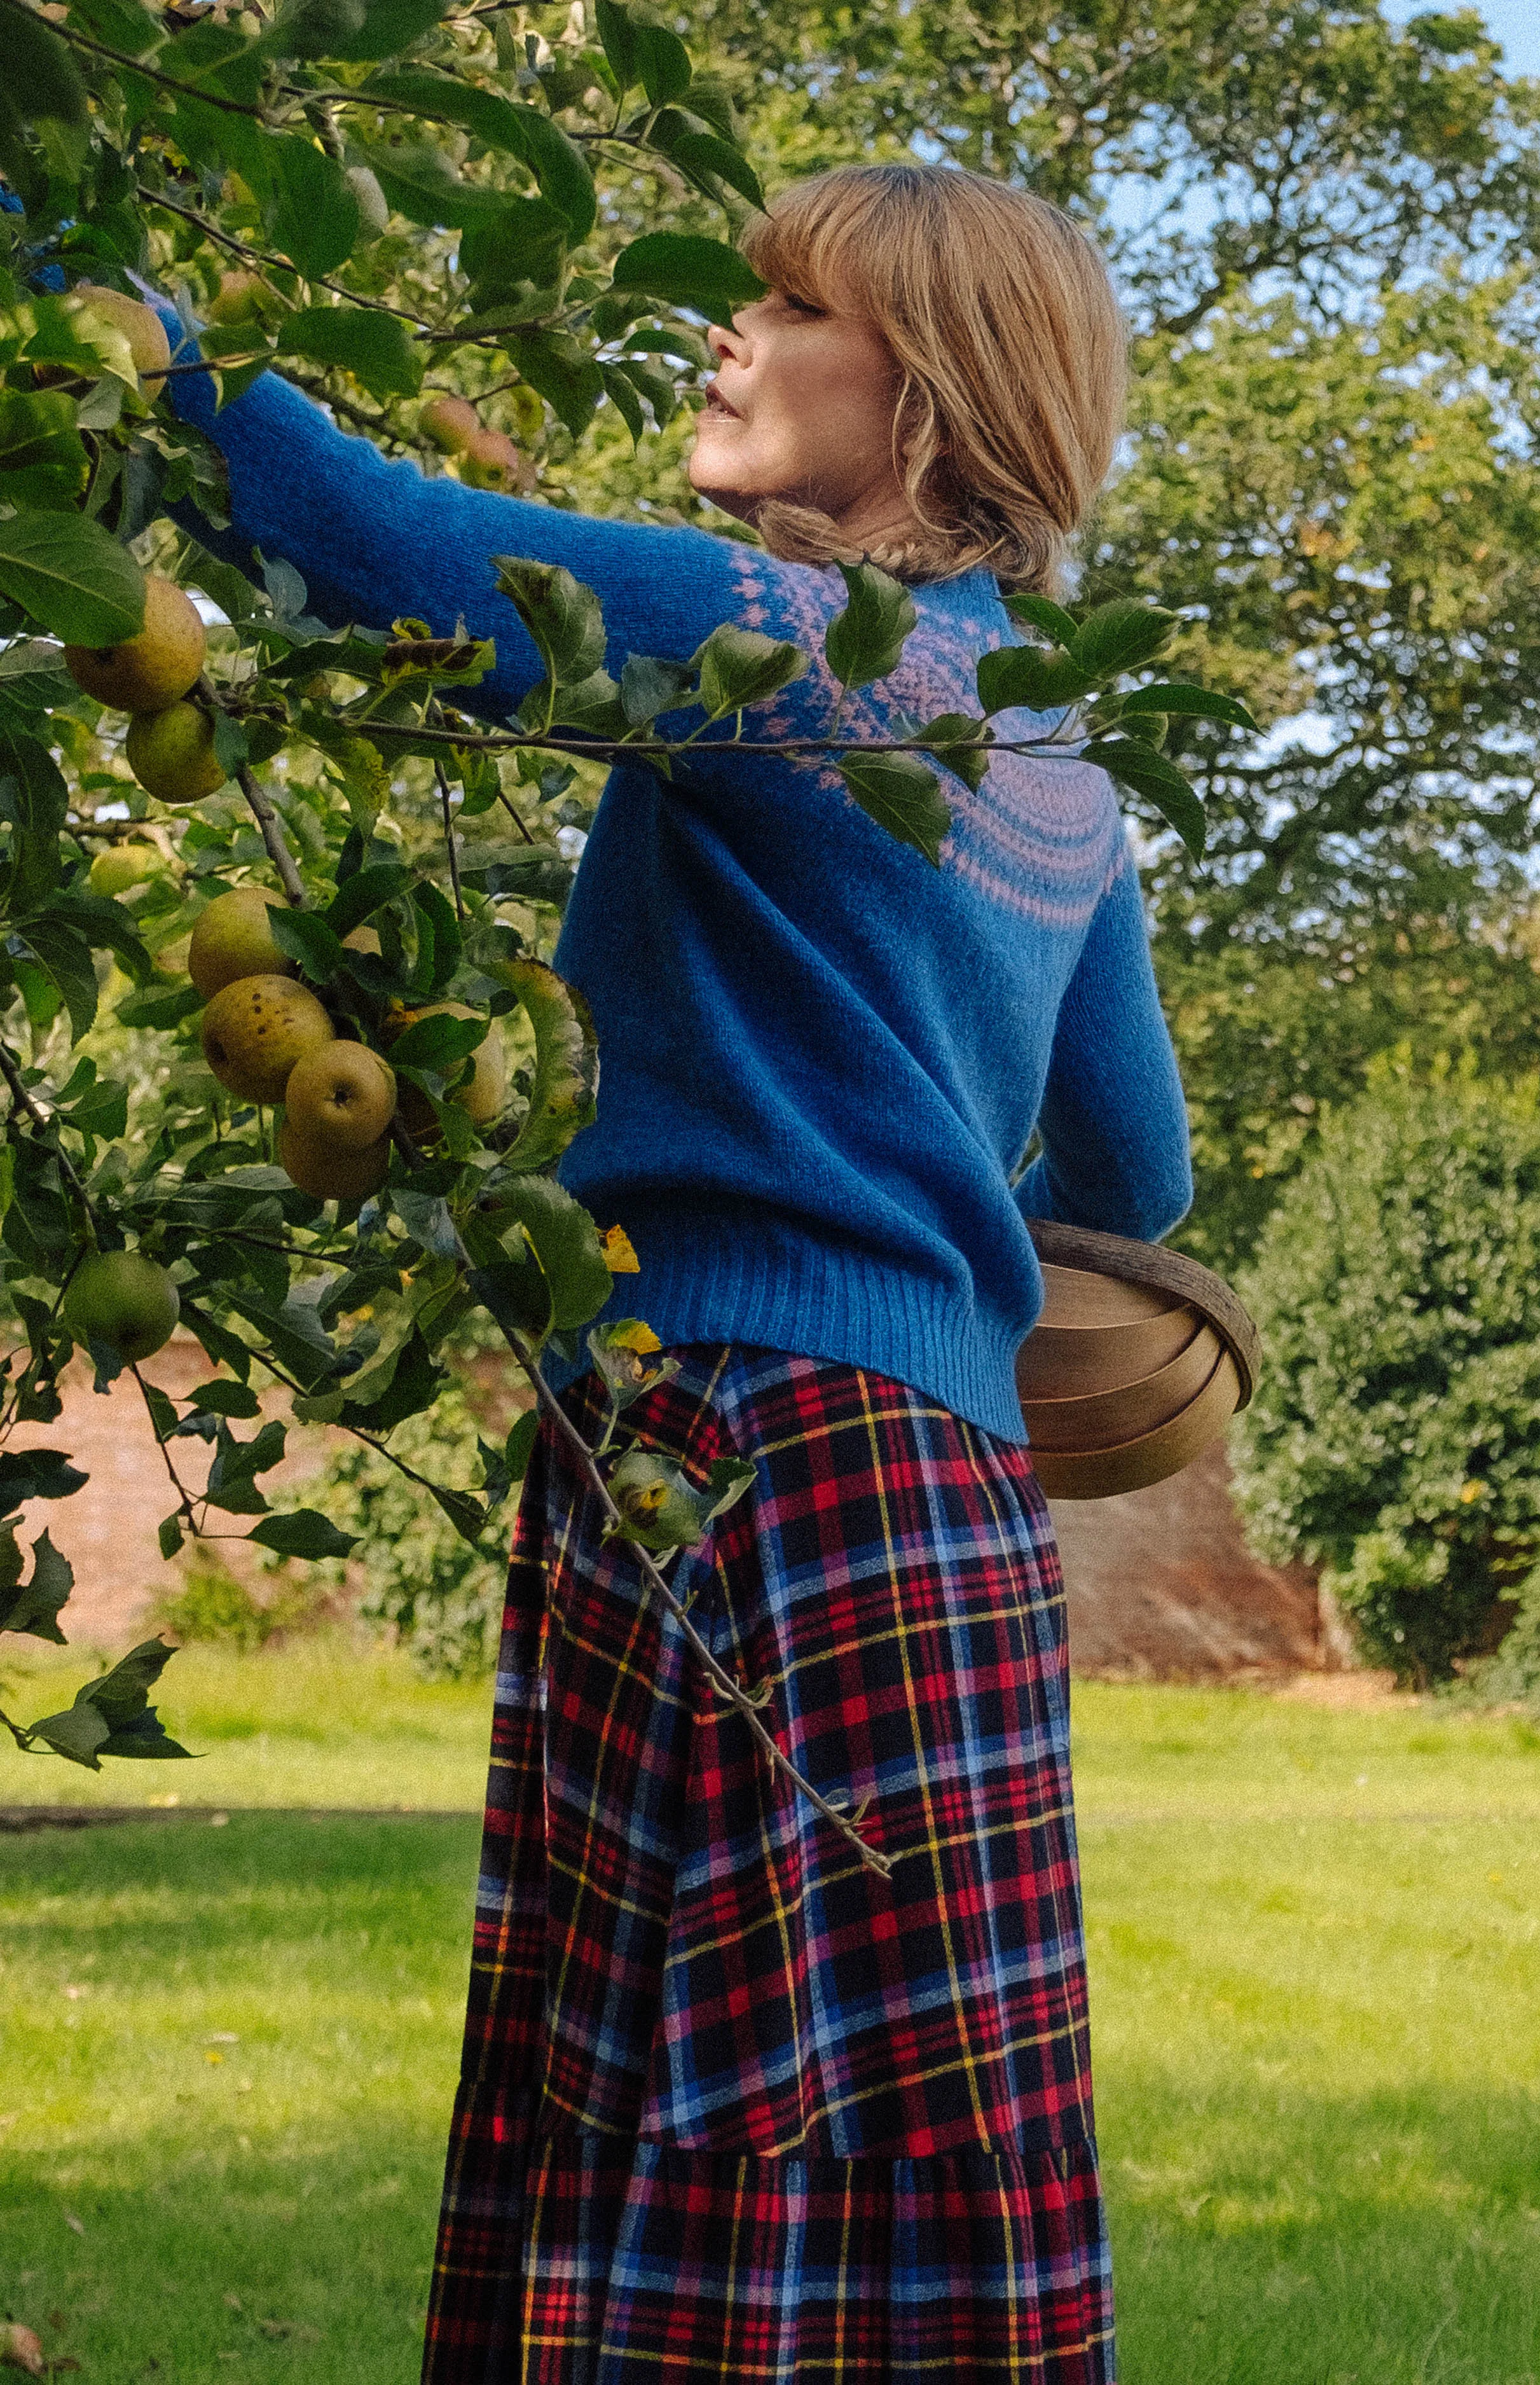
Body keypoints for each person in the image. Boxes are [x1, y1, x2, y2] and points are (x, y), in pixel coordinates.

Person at [158, 161, 1192, 2385]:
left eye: (783, 308)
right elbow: (1142, 1158)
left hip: (729, 1452)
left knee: (700, 2077)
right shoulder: (1043, 745)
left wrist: (106, 317)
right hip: (939, 1492)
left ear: (922, 399)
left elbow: (377, 535)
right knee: (912, 2104)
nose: (721, 340)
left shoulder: (788, 654)